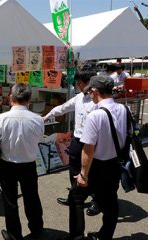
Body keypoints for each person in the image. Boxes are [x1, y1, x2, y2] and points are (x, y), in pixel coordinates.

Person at [68, 75, 127, 240]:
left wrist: (83, 175)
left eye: (90, 92)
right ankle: (105, 235)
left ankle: (77, 236)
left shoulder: (95, 115)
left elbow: (88, 149)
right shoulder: (124, 109)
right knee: (110, 201)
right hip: (115, 163)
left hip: (97, 166)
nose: (89, 95)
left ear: (94, 91)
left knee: (76, 197)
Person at [0, 83, 44, 240]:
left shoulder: (0, 119)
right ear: (29, 99)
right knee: (32, 198)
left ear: (11, 98)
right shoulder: (38, 119)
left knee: (10, 201)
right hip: (29, 165)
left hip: (7, 164)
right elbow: (37, 140)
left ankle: (14, 235)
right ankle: (37, 230)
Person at [43, 72, 101, 216]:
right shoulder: (79, 97)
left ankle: (97, 201)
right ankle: (75, 196)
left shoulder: (98, 100)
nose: (78, 86)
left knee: (92, 171)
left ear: (89, 82)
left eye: (80, 83)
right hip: (77, 139)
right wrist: (47, 116)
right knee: (74, 169)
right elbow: (63, 108)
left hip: (92, 142)